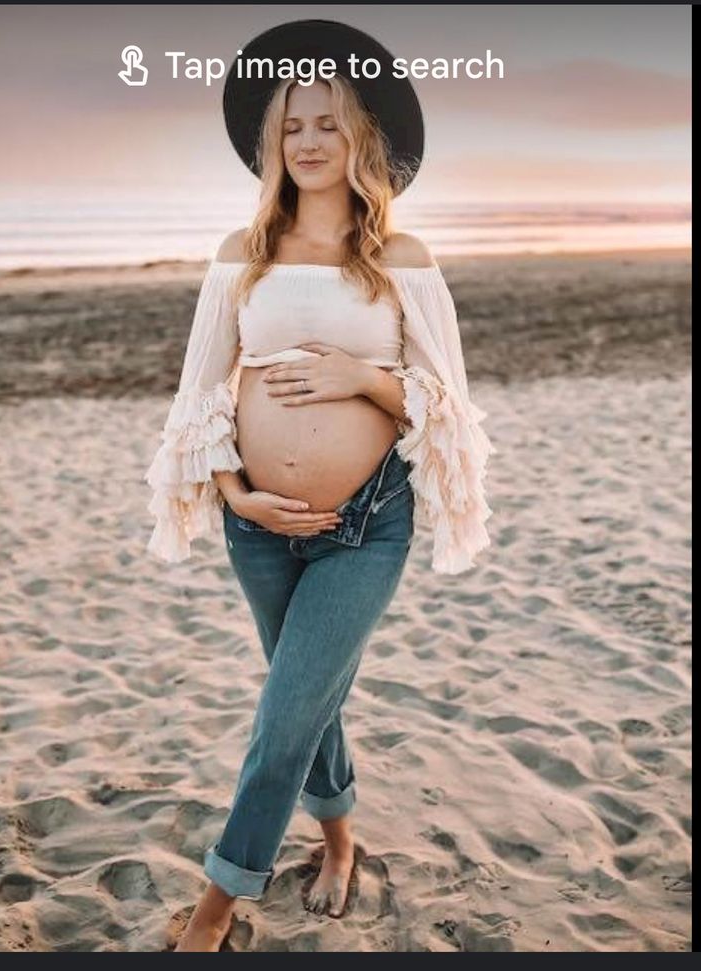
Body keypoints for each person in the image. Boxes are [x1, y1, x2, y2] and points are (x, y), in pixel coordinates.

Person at [144, 19, 495, 953]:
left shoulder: (405, 260)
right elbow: (197, 394)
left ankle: (215, 910)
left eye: (329, 124)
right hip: (256, 524)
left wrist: (361, 379)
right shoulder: (241, 252)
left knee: (286, 709)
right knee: (311, 699)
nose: (309, 140)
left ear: (362, 141)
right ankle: (339, 840)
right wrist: (232, 491)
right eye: (293, 125)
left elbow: (449, 410)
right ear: (273, 143)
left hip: (366, 523)